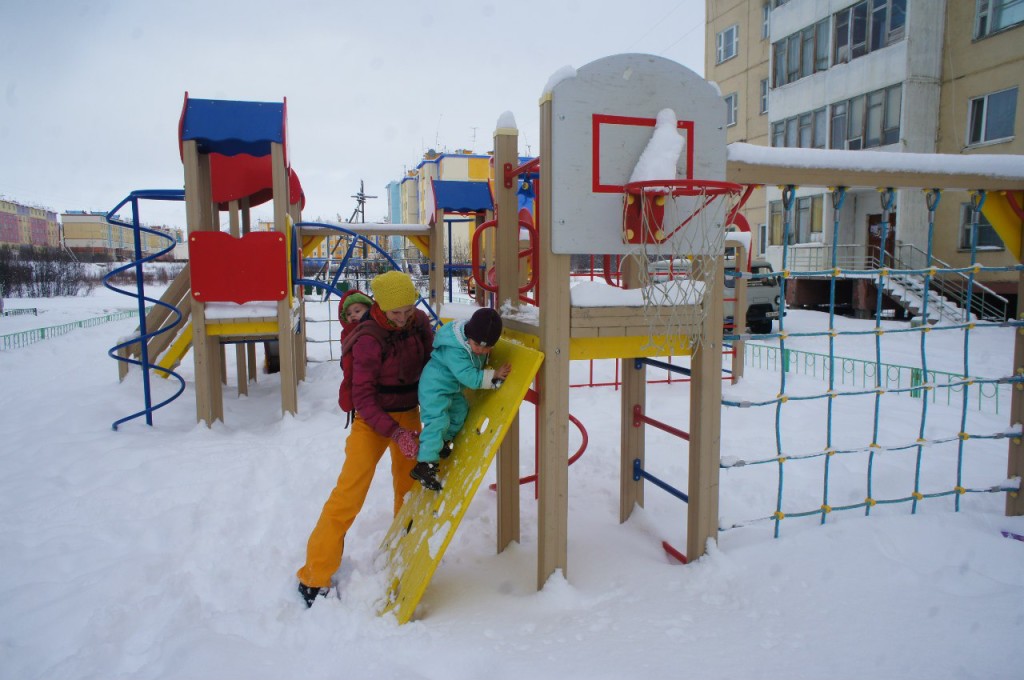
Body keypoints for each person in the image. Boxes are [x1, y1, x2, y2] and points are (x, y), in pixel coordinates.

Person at [296, 270, 433, 607]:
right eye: (395, 313)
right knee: (349, 495)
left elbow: (434, 364)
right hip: (372, 421)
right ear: (381, 308)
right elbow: (364, 398)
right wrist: (395, 432)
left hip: (409, 412)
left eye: (407, 310)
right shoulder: (368, 338)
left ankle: (407, 551)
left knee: (410, 488)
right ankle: (314, 575)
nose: (402, 319)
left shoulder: (419, 324)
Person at [411, 307, 512, 491]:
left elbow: (475, 363)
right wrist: (493, 375)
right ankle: (425, 465)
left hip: (451, 388)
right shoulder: (455, 349)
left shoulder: (473, 341)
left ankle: (440, 444)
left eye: (487, 347)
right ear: (468, 337)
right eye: (477, 346)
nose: (481, 351)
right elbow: (468, 377)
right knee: (437, 421)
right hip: (434, 387)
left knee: (460, 412)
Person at [336, 289, 373, 426]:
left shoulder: (373, 328)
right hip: (356, 381)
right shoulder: (347, 333)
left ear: (369, 310)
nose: (353, 315)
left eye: (357, 311)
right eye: (349, 313)